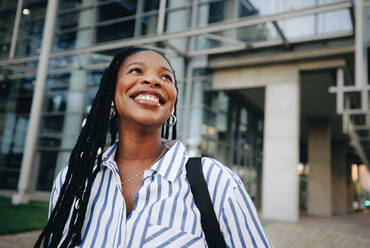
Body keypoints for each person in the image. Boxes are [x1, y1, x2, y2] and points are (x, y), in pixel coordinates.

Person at [35, 47, 272, 248]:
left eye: (166, 77)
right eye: (136, 70)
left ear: (172, 107)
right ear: (111, 92)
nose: (153, 80)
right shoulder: (73, 182)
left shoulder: (216, 181)